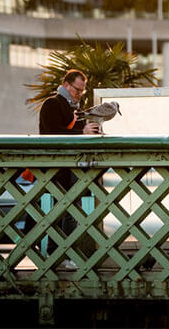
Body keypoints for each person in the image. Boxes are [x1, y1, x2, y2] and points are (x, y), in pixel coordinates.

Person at [37, 69, 101, 271]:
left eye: (82, 91)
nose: (80, 94)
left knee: (67, 210)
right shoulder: (52, 104)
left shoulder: (75, 107)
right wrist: (81, 131)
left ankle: (59, 253)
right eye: (77, 90)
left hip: (70, 166)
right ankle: (57, 254)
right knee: (61, 210)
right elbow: (51, 132)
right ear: (66, 85)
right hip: (56, 166)